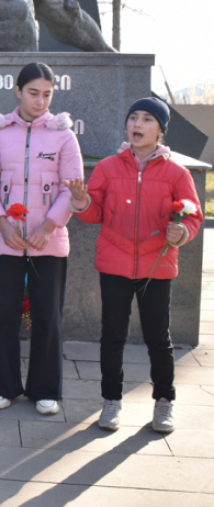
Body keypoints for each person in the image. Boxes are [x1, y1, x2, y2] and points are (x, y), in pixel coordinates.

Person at [64, 97, 203, 434]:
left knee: (158, 338)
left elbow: (193, 213)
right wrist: (82, 200)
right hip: (114, 262)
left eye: (146, 119)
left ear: (160, 131)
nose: (137, 125)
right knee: (112, 335)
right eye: (133, 118)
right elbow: (94, 212)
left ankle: (164, 402)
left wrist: (181, 230)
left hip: (157, 266)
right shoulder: (109, 167)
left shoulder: (177, 173)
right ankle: (111, 401)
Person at [0, 62, 83, 416]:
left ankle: (45, 389)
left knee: (47, 315)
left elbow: (72, 189)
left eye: (47, 94)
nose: (40, 101)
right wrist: (2, 225)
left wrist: (48, 227)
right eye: (33, 93)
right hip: (7, 240)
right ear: (18, 91)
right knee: (5, 313)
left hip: (48, 243)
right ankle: (2, 386)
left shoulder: (64, 136)